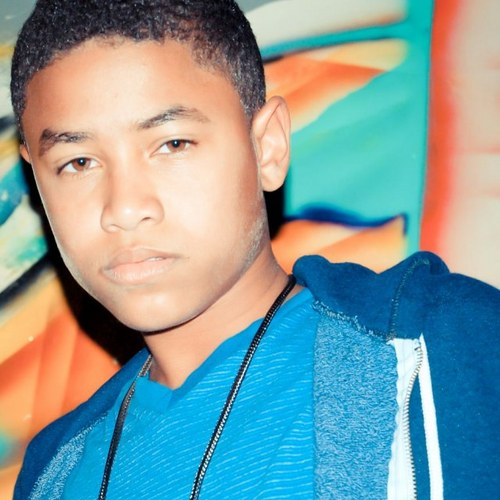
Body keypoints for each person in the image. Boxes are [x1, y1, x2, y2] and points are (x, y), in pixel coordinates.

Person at [10, 0, 499, 498]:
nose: (125, 208)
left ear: (267, 147)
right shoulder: (52, 475)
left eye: (173, 144)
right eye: (78, 162)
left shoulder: (454, 346)